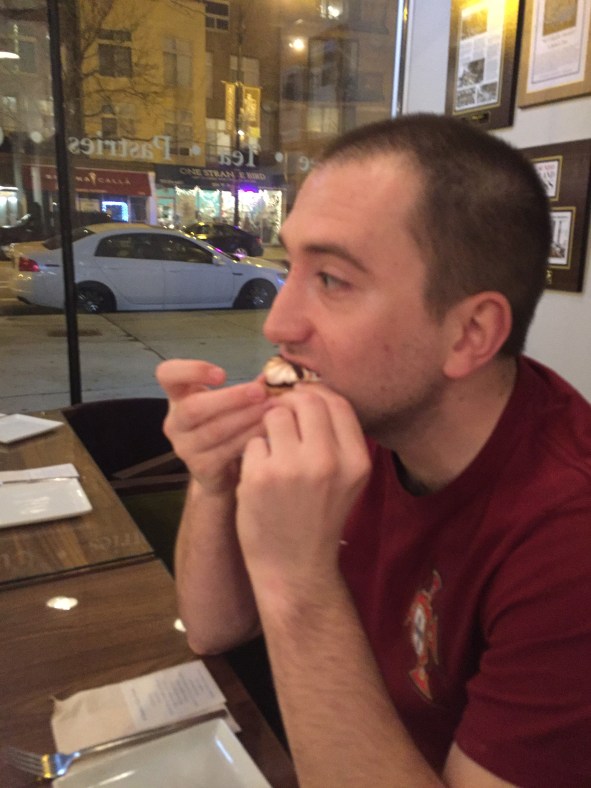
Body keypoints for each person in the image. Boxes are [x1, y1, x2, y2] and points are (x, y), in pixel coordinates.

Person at [156, 113, 591, 787]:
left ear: (470, 334)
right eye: (290, 266)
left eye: (332, 279)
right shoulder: (355, 415)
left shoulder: (569, 538)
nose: (277, 323)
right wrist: (213, 479)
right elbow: (212, 629)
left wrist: (298, 581)